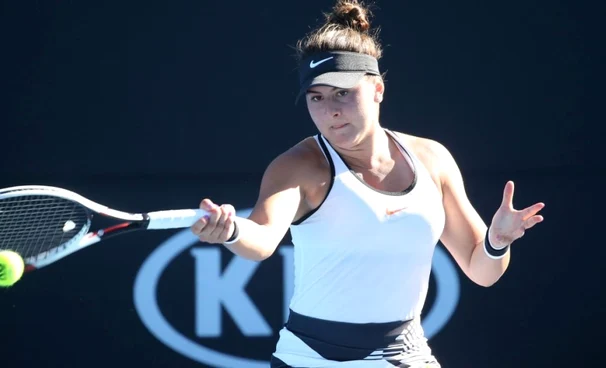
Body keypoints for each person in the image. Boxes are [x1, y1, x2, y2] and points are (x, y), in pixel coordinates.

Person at [190, 0, 545, 366]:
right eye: (317, 97)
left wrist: (497, 242)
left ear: (377, 89)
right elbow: (262, 239)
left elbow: (481, 270)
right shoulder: (298, 166)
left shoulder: (431, 159)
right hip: (310, 358)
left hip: (405, 354)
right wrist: (231, 231)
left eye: (343, 92)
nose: (330, 111)